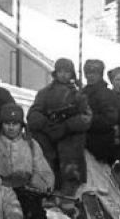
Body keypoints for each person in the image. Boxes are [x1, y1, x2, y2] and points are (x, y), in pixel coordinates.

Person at [28, 58, 92, 193]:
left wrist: (67, 126)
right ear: (55, 73)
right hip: (47, 140)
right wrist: (46, 125)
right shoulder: (44, 93)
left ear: (72, 74)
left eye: (67, 72)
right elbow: (33, 114)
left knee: (69, 178)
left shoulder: (78, 95)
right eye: (60, 71)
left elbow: (86, 118)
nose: (63, 75)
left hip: (70, 144)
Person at [81, 58, 120, 163]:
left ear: (100, 75)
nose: (90, 76)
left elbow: (110, 119)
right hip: (82, 144)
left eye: (94, 73)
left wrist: (91, 119)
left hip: (100, 148)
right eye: (88, 73)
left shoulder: (107, 94)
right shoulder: (81, 93)